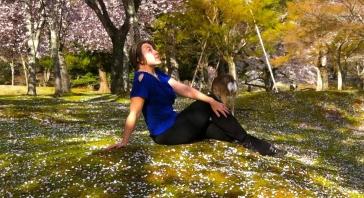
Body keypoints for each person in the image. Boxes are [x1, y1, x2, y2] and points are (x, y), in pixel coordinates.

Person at [104, 41, 286, 156]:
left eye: (154, 48)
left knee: (221, 131)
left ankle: (260, 147)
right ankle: (254, 144)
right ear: (140, 59)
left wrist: (211, 102)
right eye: (149, 50)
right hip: (166, 133)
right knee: (209, 102)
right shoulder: (142, 80)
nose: (156, 51)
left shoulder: (158, 75)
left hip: (177, 124)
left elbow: (184, 89)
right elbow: (134, 113)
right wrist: (124, 141)